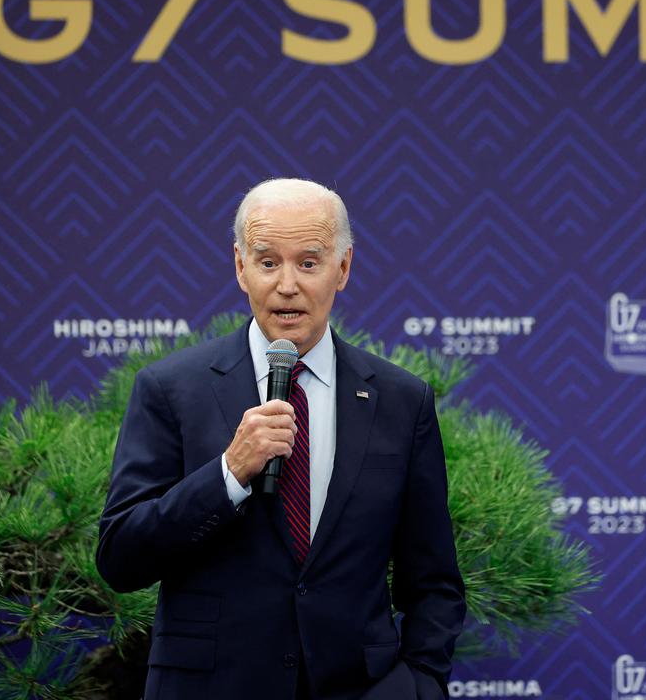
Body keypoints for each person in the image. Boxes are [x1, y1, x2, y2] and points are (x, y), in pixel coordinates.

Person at [96, 178, 466, 700]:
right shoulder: (171, 389)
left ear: (343, 268)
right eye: (268, 262)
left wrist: (419, 684)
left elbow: (434, 583)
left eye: (309, 263)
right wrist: (228, 473)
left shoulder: (402, 401)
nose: (287, 285)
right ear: (240, 267)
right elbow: (120, 557)